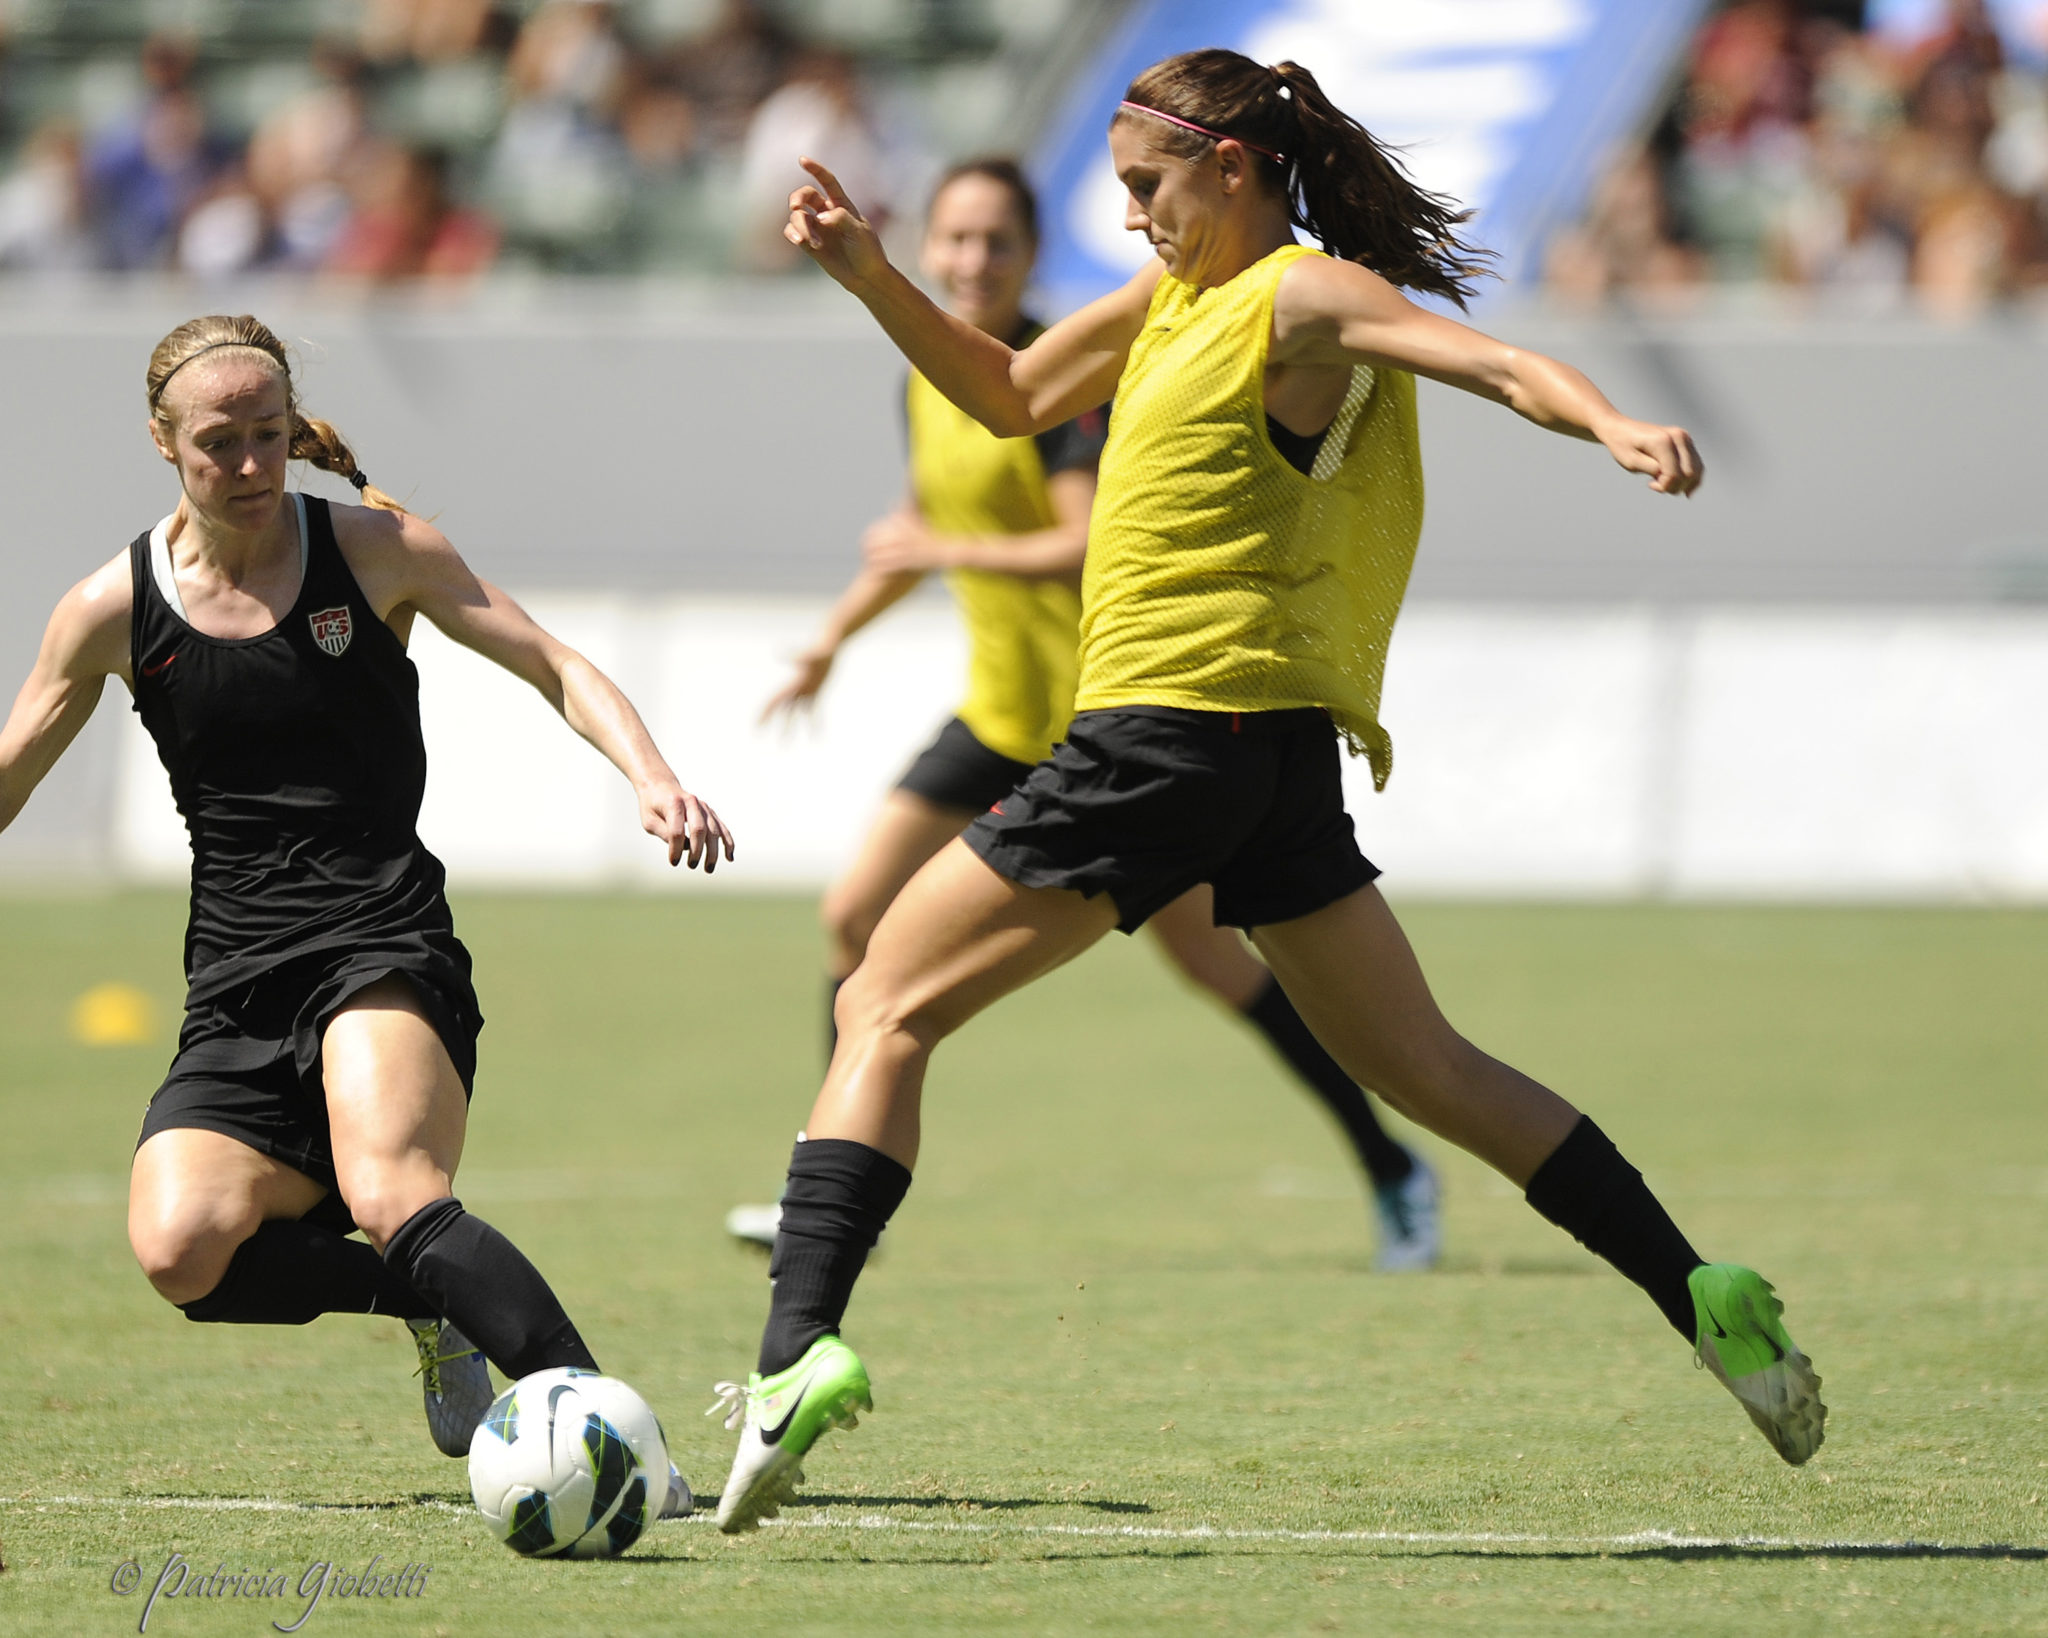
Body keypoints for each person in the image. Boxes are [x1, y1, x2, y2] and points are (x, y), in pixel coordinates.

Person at [706, 49, 1827, 1534]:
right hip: (1269, 761)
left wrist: (1610, 421)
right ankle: (1706, 1291)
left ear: (1232, 169)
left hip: (1164, 734)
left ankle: (791, 1359)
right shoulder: (1173, 300)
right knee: (1428, 1067)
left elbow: (1484, 359)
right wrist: (868, 272)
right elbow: (1011, 391)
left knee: (881, 1005)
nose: (1133, 219)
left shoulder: (1296, 297)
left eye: (1149, 189)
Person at [0, 314, 732, 1508]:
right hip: (235, 977)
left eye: (269, 437)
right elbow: (12, 776)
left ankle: (616, 1438)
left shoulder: (376, 550)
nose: (248, 466)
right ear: (160, 443)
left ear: (296, 430)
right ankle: (426, 1302)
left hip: (382, 938)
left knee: (393, 1188)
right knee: (180, 1255)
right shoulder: (108, 606)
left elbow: (554, 663)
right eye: (218, 443)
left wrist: (652, 779)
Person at [733, 156, 1438, 1270]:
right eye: (954, 240)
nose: (970, 261)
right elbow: (916, 525)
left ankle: (1392, 1166)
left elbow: (1084, 538)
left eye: (994, 243)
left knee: (1221, 970)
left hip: (1108, 725)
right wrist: (828, 641)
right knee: (851, 914)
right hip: (996, 715)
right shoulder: (928, 372)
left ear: (1028, 255)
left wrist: (946, 552)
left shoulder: (1074, 381)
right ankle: (823, 1178)